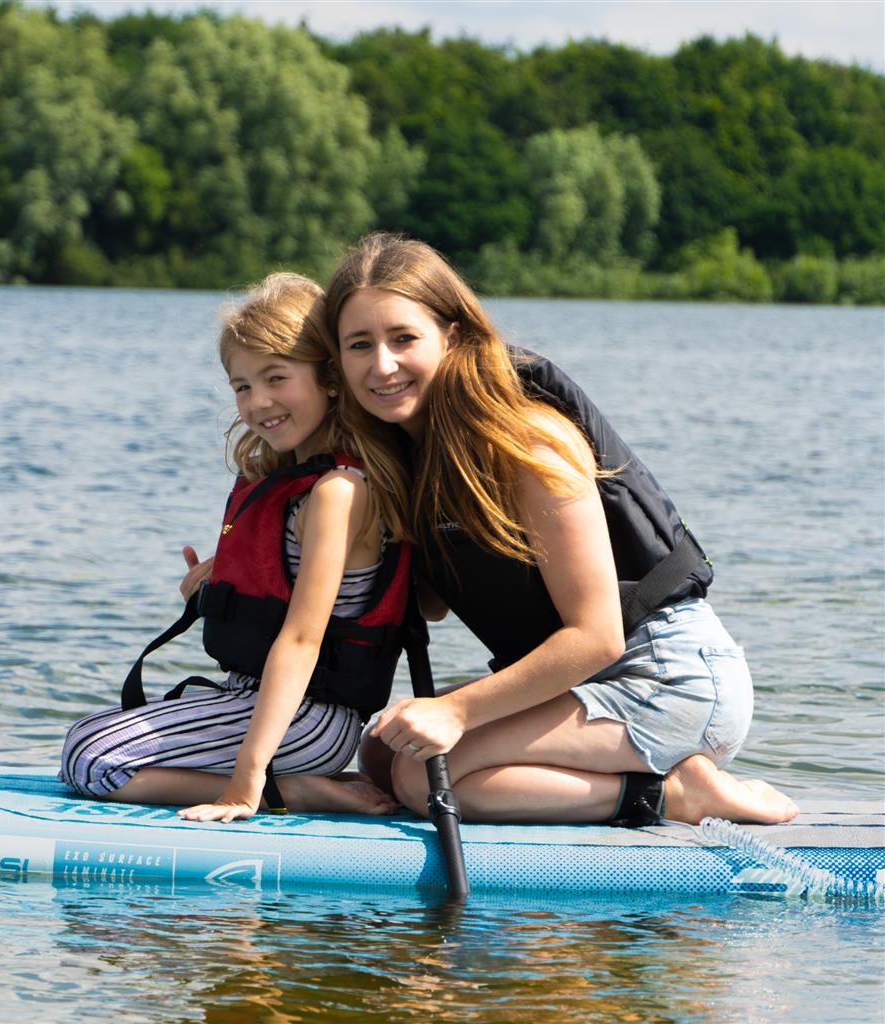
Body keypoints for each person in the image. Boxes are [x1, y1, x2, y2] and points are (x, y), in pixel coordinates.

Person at [324, 233, 798, 826]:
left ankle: (672, 795)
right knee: (381, 753)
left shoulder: (526, 441)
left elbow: (598, 637)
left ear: (452, 335)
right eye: (359, 345)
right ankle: (638, 779)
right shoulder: (412, 454)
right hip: (589, 681)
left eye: (403, 339)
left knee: (422, 775)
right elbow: (432, 602)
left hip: (666, 677)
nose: (382, 365)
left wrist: (458, 711)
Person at [60, 273, 407, 821]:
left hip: (310, 718)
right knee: (86, 736)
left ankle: (295, 791)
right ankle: (290, 778)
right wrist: (225, 573)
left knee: (91, 758)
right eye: (242, 386)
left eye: (276, 378)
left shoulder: (339, 491)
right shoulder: (297, 482)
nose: (258, 401)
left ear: (331, 378)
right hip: (257, 701)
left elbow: (300, 639)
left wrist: (245, 785)